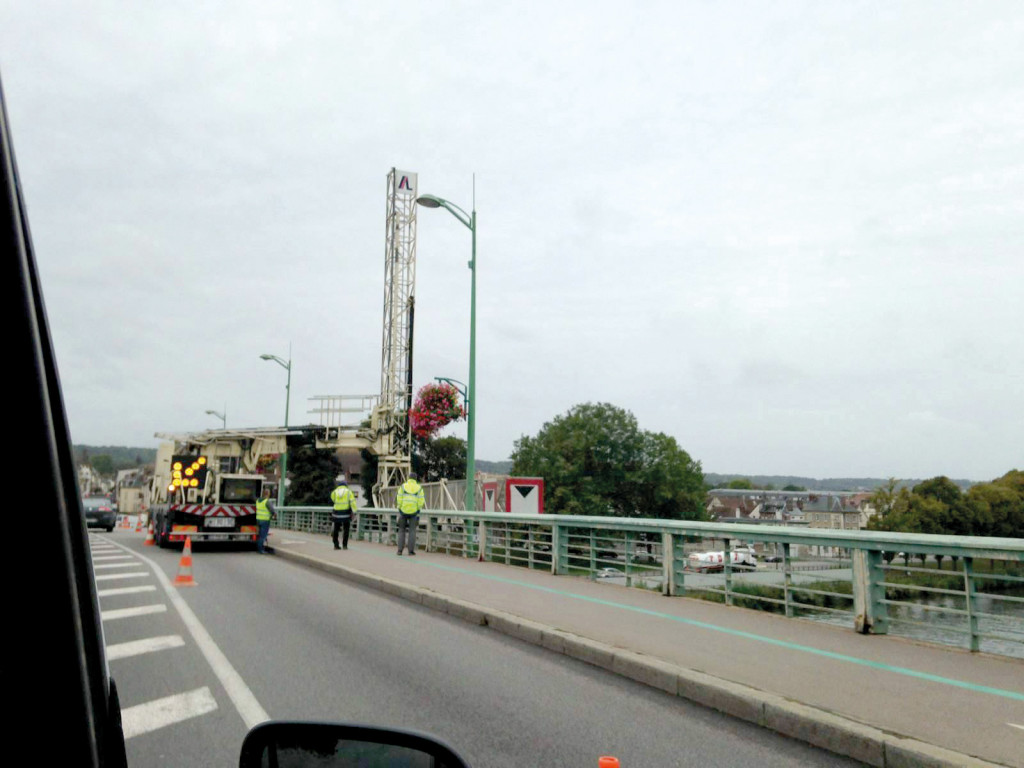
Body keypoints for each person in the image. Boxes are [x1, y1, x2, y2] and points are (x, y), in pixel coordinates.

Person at [395, 472, 425, 556]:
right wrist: (418, 509)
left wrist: (400, 507)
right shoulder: (419, 488)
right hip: (414, 512)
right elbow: (421, 500)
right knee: (412, 531)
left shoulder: (403, 486)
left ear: (408, 478)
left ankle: (399, 550)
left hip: (403, 510)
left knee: (401, 530)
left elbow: (399, 498)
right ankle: (410, 551)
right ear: (415, 479)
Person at [329, 477, 357, 550]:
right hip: (346, 513)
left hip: (336, 512)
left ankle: (336, 544)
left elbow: (332, 499)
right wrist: (354, 511)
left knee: (336, 529)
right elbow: (352, 502)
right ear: (345, 485)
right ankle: (345, 545)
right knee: (346, 529)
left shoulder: (335, 492)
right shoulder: (348, 492)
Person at [255, 487, 277, 554]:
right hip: (265, 520)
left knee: (259, 535)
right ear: (268, 494)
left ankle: (258, 548)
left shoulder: (258, 501)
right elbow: (272, 511)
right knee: (263, 536)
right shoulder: (267, 501)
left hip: (258, 519)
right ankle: (261, 550)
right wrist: (275, 516)